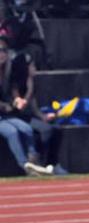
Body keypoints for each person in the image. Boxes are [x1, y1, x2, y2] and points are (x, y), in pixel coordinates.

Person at [0, 34, 48, 175]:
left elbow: (14, 90)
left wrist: (17, 99)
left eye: (4, 50)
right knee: (12, 132)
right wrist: (3, 105)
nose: (2, 53)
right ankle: (25, 165)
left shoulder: (8, 71)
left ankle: (34, 161)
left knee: (26, 128)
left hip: (5, 115)